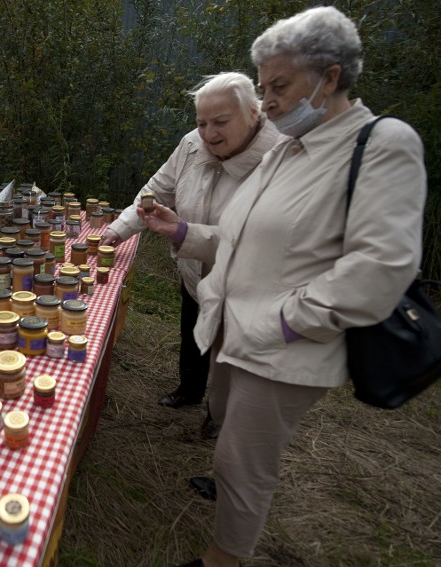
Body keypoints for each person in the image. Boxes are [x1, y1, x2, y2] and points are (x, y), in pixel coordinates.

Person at [137, 7, 427, 567]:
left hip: (280, 347)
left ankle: (225, 557)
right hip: (234, 329)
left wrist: (286, 321)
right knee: (228, 444)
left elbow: (382, 266)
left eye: (279, 86)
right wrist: (180, 230)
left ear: (331, 75)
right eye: (264, 87)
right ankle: (226, 505)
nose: (267, 102)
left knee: (246, 463)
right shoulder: (288, 152)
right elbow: (237, 238)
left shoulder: (380, 142)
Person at [103, 72, 279, 435]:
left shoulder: (281, 158)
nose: (209, 133)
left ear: (252, 113)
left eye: (220, 122)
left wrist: (183, 232)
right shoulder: (191, 145)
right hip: (195, 273)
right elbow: (155, 192)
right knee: (194, 333)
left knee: (235, 361)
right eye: (201, 123)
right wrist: (115, 231)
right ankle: (190, 389)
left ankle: (222, 422)